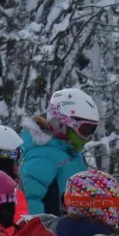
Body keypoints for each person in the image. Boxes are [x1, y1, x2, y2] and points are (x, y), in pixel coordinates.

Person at [21, 88, 100, 217]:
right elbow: (30, 202)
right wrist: (44, 234)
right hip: (53, 233)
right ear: (61, 124)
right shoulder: (42, 157)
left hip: (73, 231)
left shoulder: (71, 153)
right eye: (84, 130)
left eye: (92, 130)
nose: (88, 137)